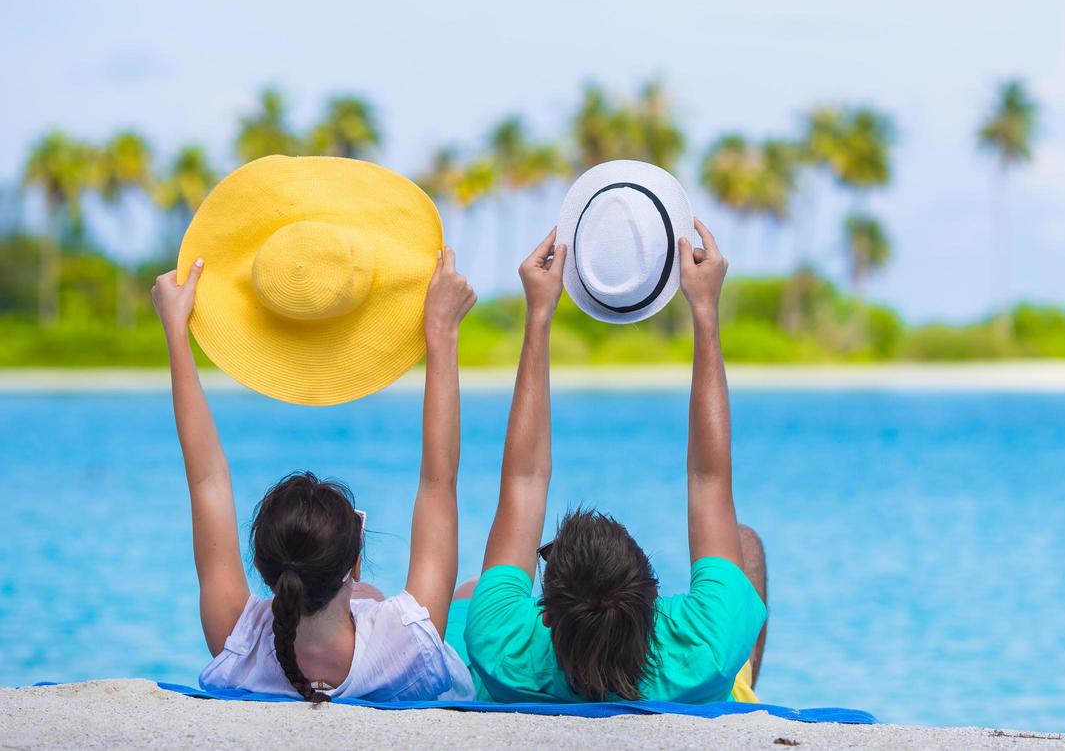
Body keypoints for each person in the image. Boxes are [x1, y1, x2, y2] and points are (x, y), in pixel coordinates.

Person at [448, 222, 769, 704]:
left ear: (547, 615)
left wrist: (539, 315)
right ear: (654, 602)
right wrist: (705, 309)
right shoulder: (708, 648)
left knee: (474, 592)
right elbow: (708, 478)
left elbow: (525, 478)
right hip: (702, 686)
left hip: (525, 680)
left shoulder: (499, 648)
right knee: (746, 545)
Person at [152, 248, 478, 702]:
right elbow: (438, 482)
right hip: (405, 639)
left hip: (336, 600)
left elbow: (206, 479)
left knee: (374, 597)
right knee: (464, 593)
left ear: (266, 569)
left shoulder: (237, 640)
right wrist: (441, 332)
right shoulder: (409, 644)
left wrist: (175, 332)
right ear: (353, 561)